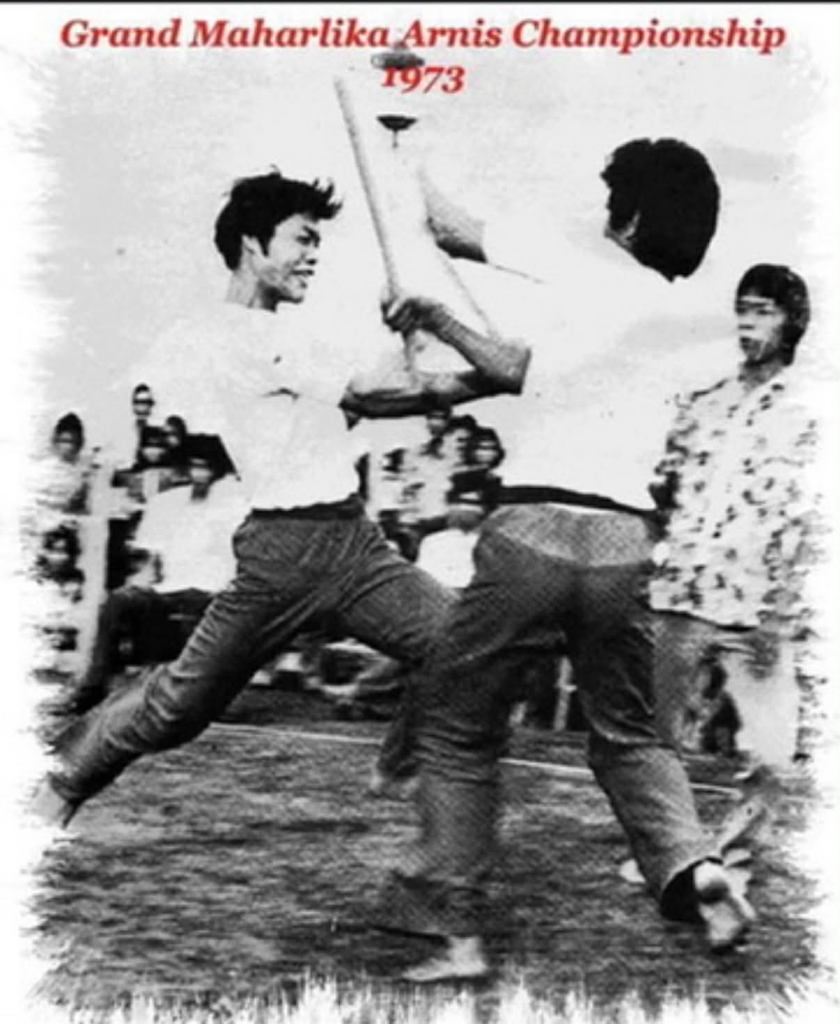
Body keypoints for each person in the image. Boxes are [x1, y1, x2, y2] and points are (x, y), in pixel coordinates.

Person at [35, 169, 530, 830]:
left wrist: (430, 346)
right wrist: (480, 375)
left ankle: (399, 759)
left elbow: (370, 400)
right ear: (251, 245)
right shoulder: (226, 333)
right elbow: (373, 395)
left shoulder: (288, 335)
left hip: (355, 545)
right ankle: (58, 784)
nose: (313, 255)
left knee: (466, 644)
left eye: (317, 241)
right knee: (178, 707)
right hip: (282, 553)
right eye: (301, 239)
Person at [386, 138, 757, 982]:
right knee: (629, 738)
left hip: (533, 533)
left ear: (625, 217)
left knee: (455, 724)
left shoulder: (577, 257)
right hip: (625, 546)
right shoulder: (673, 324)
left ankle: (458, 933)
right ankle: (696, 870)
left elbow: (448, 230)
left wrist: (397, 145)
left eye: (609, 203)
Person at [647, 264, 817, 781]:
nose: (747, 325)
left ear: (792, 322)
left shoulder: (813, 411)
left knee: (771, 752)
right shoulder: (702, 402)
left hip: (759, 603)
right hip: (681, 597)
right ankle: (665, 858)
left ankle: (734, 859)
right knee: (655, 742)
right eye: (741, 311)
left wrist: (785, 603)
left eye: (762, 313)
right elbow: (663, 489)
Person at [61, 444, 248, 717]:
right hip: (168, 589)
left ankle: (210, 700)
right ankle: (92, 687)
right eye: (194, 466)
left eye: (206, 467)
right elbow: (149, 557)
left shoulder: (233, 505)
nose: (199, 474)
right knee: (118, 600)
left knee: (209, 624)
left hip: (213, 592)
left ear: (218, 471)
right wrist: (139, 583)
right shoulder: (169, 502)